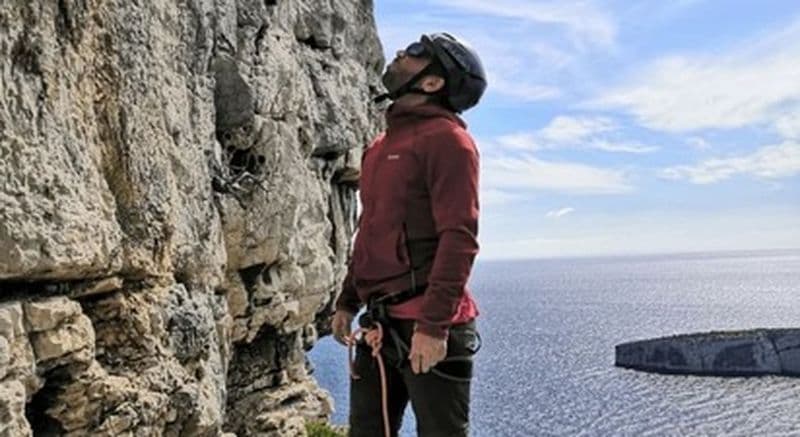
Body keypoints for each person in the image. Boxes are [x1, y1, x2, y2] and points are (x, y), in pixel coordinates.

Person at [331, 32, 487, 437]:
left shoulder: (451, 142)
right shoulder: (380, 146)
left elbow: (460, 237)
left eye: (418, 53)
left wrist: (434, 327)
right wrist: (348, 301)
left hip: (429, 326)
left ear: (432, 82)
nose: (402, 52)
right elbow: (371, 230)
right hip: (380, 323)